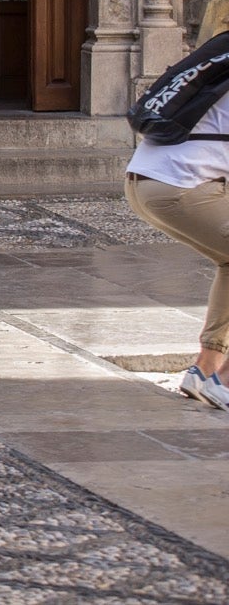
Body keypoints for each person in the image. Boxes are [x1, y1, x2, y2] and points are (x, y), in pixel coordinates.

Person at [127, 60, 229, 413]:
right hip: (178, 186)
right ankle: (222, 381)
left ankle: (203, 372)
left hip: (144, 180)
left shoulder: (219, 70)